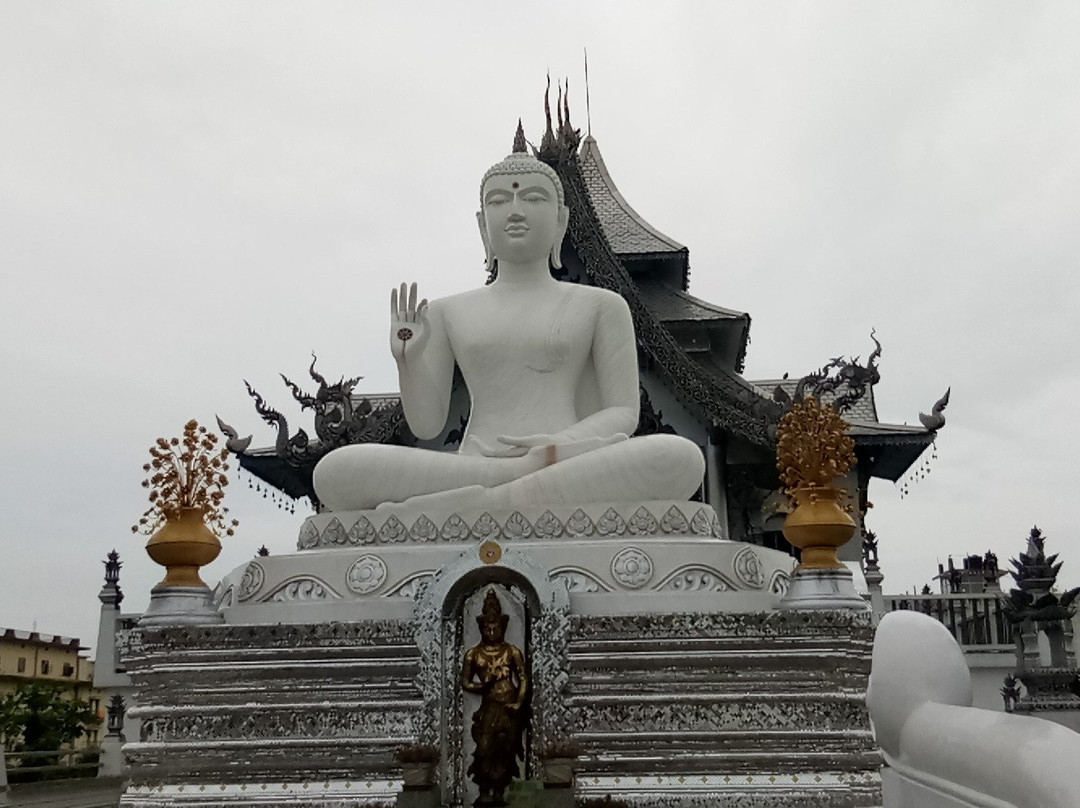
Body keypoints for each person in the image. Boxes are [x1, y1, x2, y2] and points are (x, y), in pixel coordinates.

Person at [313, 135, 704, 513]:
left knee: (677, 457)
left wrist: (554, 448)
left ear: (561, 221)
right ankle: (513, 486)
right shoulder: (446, 312)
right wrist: (408, 363)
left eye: (533, 198)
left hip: (562, 461)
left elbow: (622, 413)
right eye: (500, 201)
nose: (515, 211)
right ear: (483, 225)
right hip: (474, 465)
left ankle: (486, 501)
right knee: (336, 472)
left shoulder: (602, 306)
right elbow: (427, 424)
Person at [460, 589, 527, 806]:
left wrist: (519, 702)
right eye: (487, 627)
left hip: (508, 707)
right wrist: (483, 685)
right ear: (480, 627)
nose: (491, 631)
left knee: (505, 748)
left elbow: (524, 679)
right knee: (485, 747)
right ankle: (484, 789)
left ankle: (500, 790)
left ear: (503, 626)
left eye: (495, 626)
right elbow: (465, 682)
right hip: (488, 708)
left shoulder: (512, 651)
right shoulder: (473, 654)